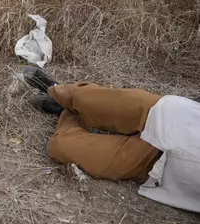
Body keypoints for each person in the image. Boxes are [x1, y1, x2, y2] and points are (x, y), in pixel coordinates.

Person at [23, 66, 200, 213]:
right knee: (88, 98)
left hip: (159, 167)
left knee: (61, 147)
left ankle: (65, 111)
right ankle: (57, 91)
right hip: (172, 118)